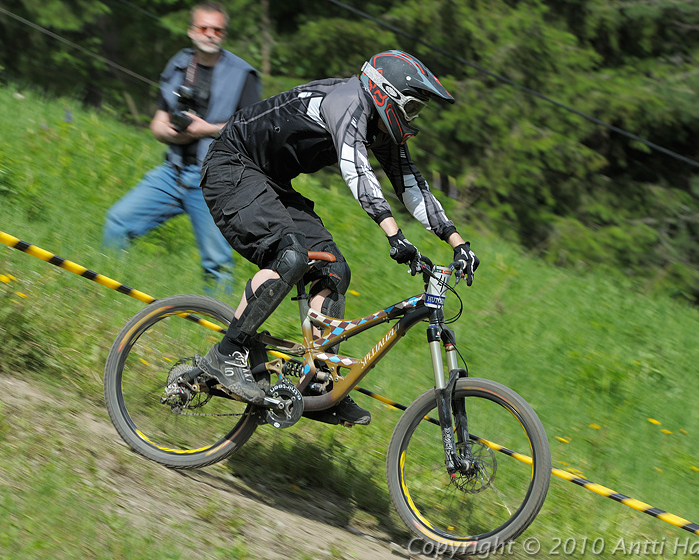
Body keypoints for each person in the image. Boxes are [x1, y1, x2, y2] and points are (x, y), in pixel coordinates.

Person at [198, 50, 480, 425]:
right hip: (231, 165)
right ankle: (226, 353)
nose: (413, 120)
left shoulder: (380, 128)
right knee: (291, 256)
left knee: (334, 271)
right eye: (412, 109)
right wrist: (393, 235)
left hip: (270, 181)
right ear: (386, 94)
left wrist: (457, 242)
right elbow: (357, 171)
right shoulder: (347, 102)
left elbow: (412, 186)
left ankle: (317, 382)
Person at [103, 2, 260, 294]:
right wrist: (173, 134)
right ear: (191, 31)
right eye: (203, 27)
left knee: (217, 264)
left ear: (224, 34)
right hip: (172, 173)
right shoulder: (178, 64)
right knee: (117, 223)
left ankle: (221, 333)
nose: (210, 34)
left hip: (214, 182)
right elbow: (157, 122)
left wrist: (207, 129)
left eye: (217, 29)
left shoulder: (243, 74)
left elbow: (252, 129)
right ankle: (109, 297)